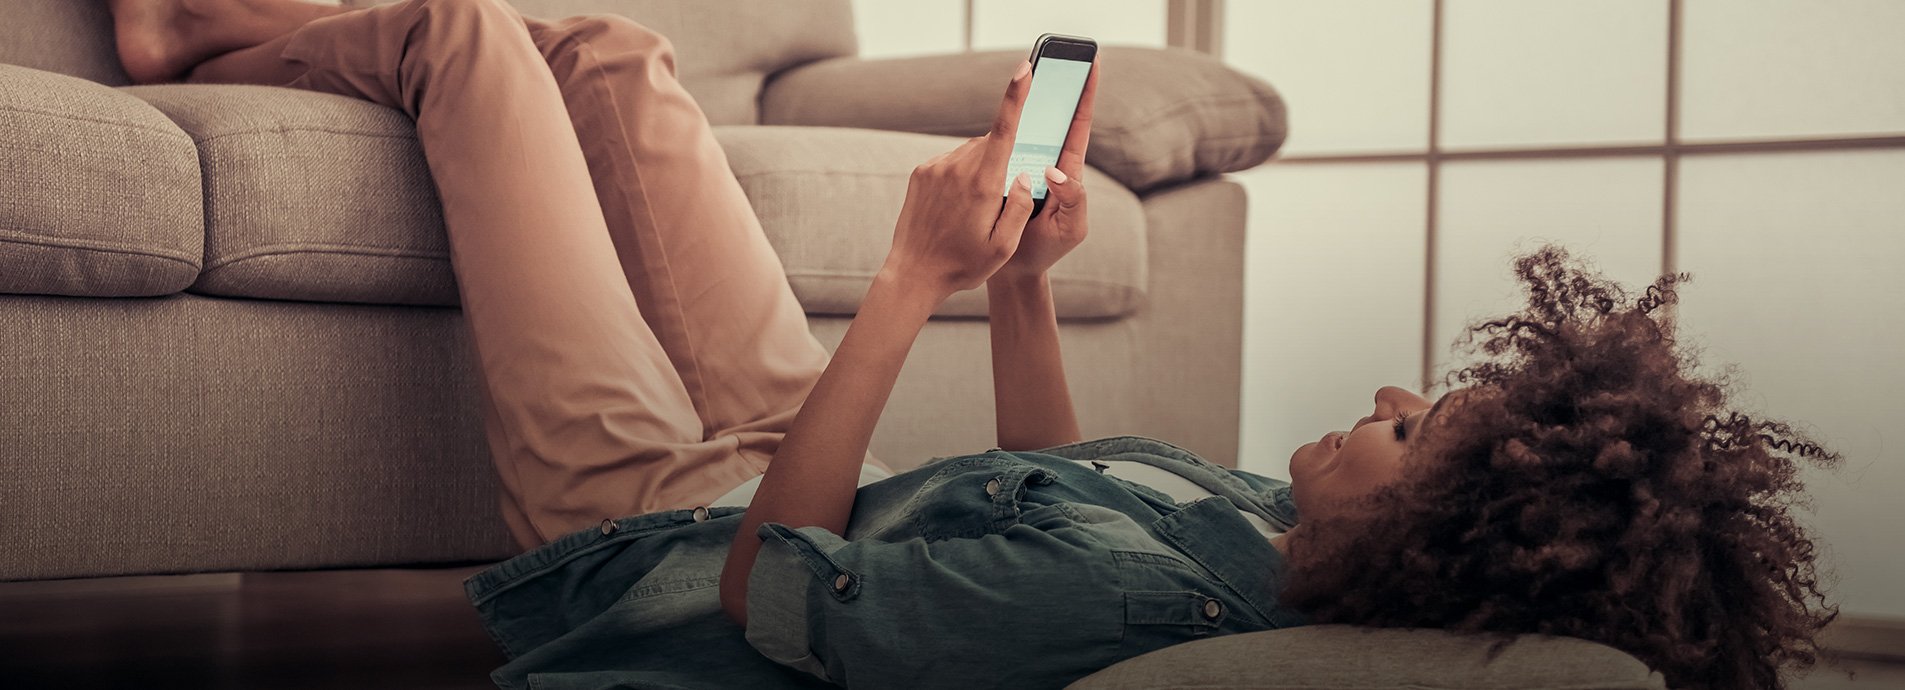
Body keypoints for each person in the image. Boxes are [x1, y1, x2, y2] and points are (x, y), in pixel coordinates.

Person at [108, 2, 1840, 689]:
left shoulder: (1144, 612)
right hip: (791, 460)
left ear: (1427, 536)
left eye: (1416, 426)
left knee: (471, 43)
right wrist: (1016, 278)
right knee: (621, 57)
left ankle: (199, 31)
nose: (1388, 395)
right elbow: (1069, 475)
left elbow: (762, 584)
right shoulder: (1269, 529)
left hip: (655, 532)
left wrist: (903, 282)